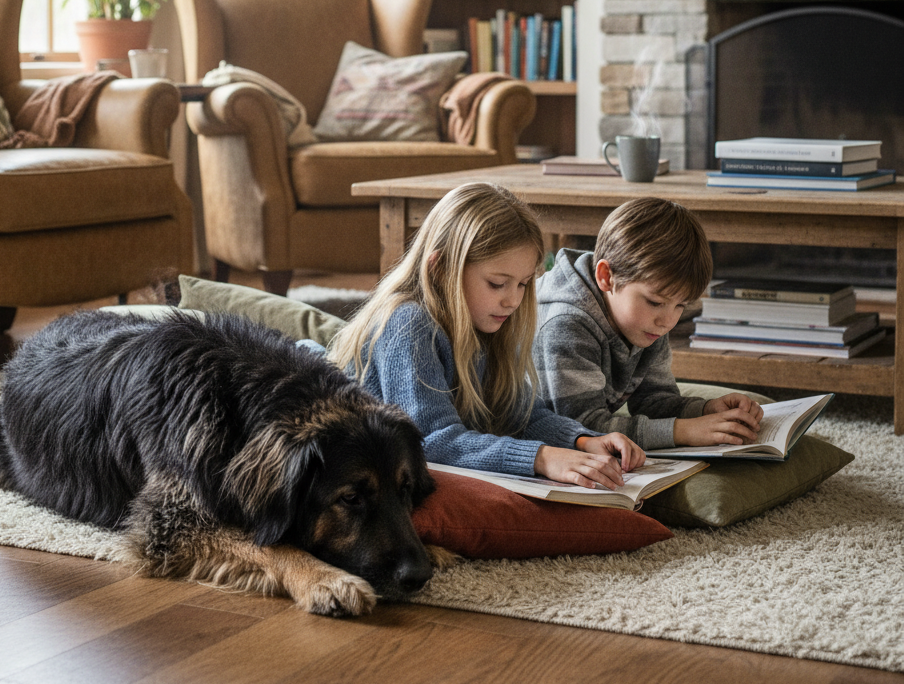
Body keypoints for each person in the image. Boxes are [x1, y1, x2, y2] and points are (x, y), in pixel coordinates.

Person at [325, 182, 645, 491]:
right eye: (497, 283)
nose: (513, 300)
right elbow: (429, 439)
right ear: (440, 269)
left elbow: (522, 414)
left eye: (522, 284)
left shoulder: (487, 321)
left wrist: (583, 441)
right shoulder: (408, 323)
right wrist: (542, 458)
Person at [534, 196, 764, 451]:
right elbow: (581, 430)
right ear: (606, 277)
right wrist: (683, 432)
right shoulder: (565, 325)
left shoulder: (647, 322)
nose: (668, 321)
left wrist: (706, 410)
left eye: (681, 305)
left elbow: (653, 401)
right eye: (655, 302)